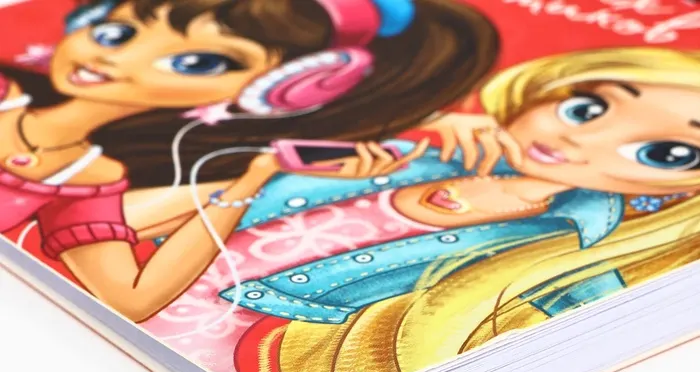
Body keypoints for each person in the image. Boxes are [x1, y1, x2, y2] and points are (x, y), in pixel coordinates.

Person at [197, 46, 698, 372]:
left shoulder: (574, 261)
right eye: (585, 109)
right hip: (179, 290)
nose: (579, 141)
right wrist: (419, 120)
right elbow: (223, 161)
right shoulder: (416, 151)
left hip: (244, 354)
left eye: (666, 153)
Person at [0, 0, 498, 321]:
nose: (114, 59)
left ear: (284, 90)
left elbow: (131, 298)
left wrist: (256, 177)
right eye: (115, 33)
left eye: (197, 63)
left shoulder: (92, 181)